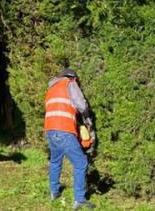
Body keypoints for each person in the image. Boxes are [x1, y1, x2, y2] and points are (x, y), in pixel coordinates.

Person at [45, 68, 95, 210]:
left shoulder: (51, 88)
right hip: (64, 130)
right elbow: (81, 104)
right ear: (72, 77)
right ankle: (79, 199)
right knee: (81, 162)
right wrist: (87, 118)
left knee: (55, 161)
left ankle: (54, 192)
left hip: (50, 129)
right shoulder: (70, 83)